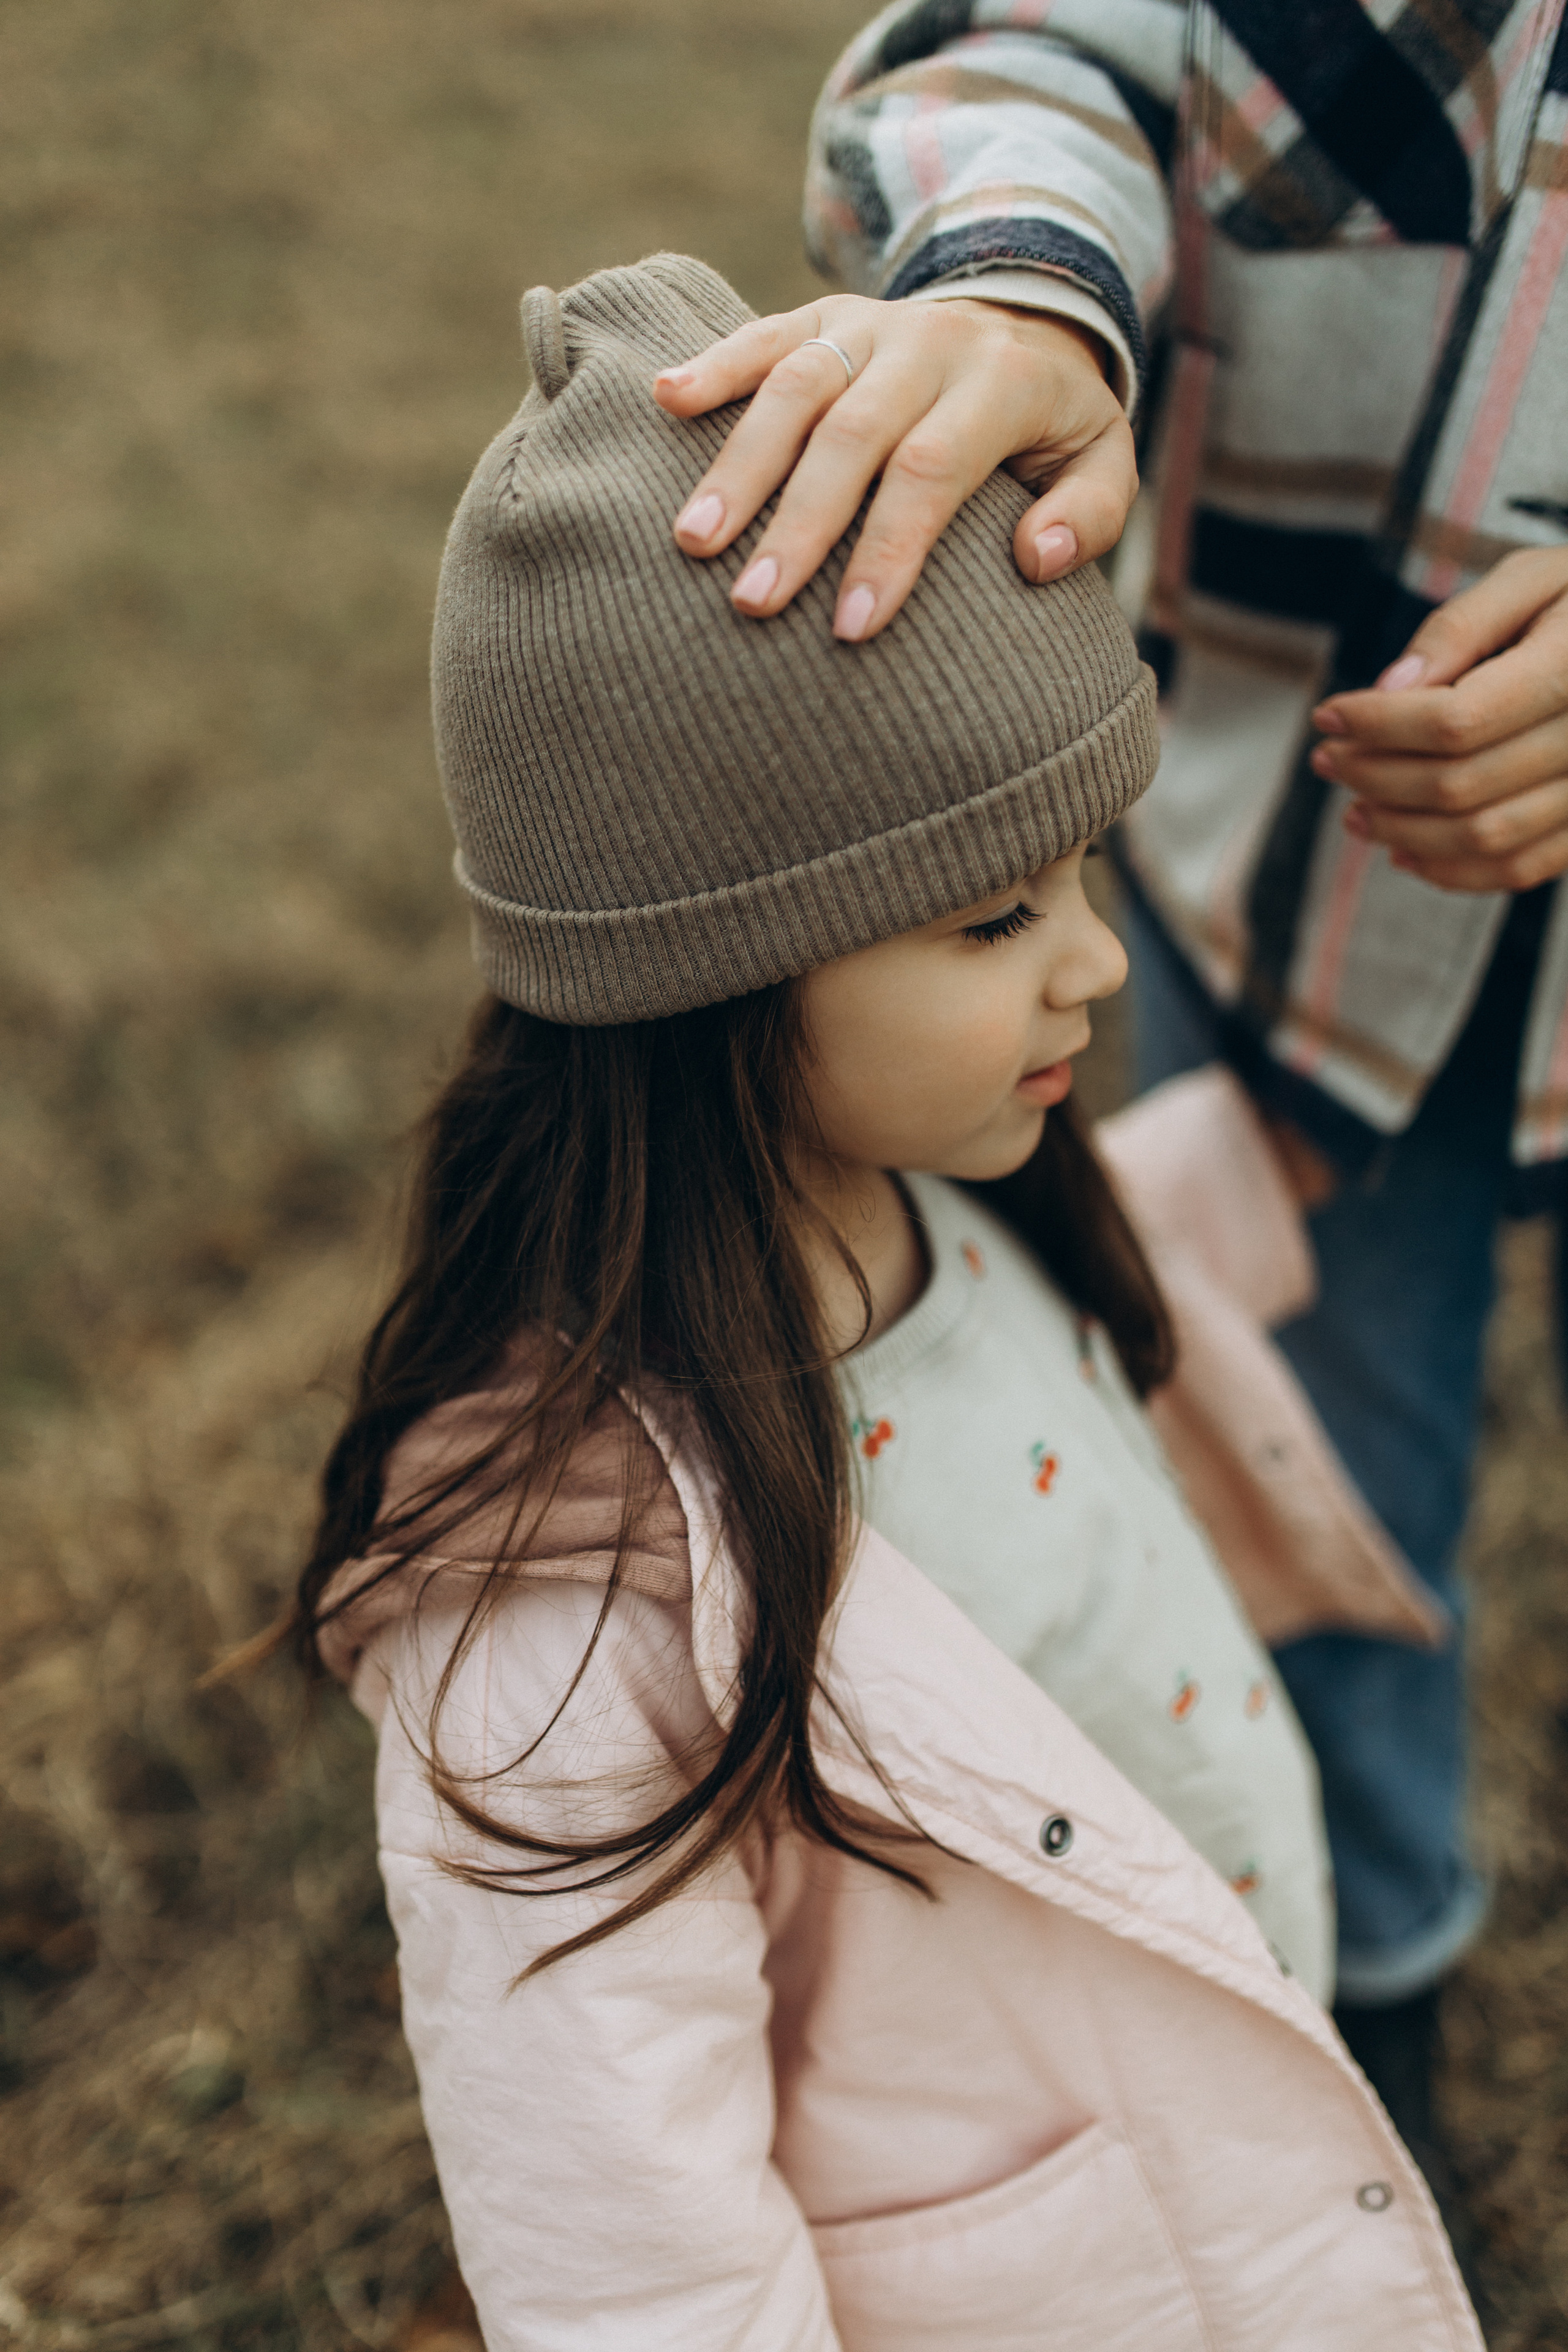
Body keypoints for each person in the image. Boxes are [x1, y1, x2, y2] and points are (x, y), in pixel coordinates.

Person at [290, 255, 1479, 2348]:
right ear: (713, 979)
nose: (1096, 966)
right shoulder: (565, 1622)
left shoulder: (970, 1202)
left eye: (1088, 872)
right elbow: (633, 2254)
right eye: (996, 912)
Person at [651, 0, 1568, 2174]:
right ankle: (1362, 1974)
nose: (1061, 983)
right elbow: (1032, 44)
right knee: (1315, 1451)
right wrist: (1029, 282)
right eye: (991, 921)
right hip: (1291, 869)